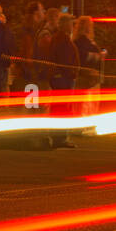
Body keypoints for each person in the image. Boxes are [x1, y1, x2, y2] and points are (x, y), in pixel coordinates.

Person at [46, 11, 80, 148]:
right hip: (64, 78)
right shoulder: (62, 39)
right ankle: (60, 138)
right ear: (65, 24)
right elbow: (64, 60)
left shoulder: (59, 38)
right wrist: (71, 73)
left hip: (61, 77)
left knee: (59, 107)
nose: (73, 26)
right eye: (71, 23)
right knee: (63, 108)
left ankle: (59, 137)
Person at [72, 16, 105, 117]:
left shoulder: (80, 40)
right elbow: (83, 56)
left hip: (88, 78)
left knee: (84, 105)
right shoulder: (83, 41)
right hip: (88, 78)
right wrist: (98, 56)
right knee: (88, 105)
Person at [11, 1, 47, 95]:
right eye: (42, 10)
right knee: (30, 104)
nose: (44, 13)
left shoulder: (24, 27)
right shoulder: (30, 30)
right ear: (36, 13)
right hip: (29, 72)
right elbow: (28, 51)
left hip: (25, 71)